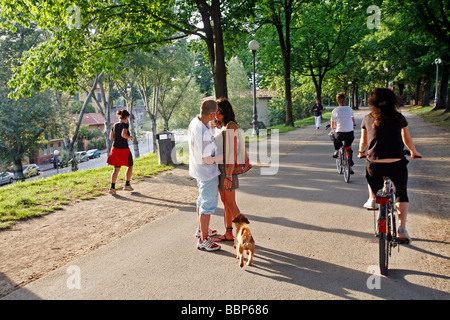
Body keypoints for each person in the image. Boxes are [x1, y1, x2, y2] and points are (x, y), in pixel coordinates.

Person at [358, 88, 422, 243]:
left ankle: (373, 197)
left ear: (372, 102)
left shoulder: (367, 118)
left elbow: (364, 141)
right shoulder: (399, 117)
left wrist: (361, 152)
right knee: (401, 192)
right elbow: (407, 139)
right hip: (396, 164)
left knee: (370, 170)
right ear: (394, 100)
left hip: (375, 165)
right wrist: (414, 152)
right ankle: (402, 228)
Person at [188, 99, 221, 251]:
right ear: (212, 113)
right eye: (216, 113)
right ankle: (203, 240)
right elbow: (208, 160)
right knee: (207, 205)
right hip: (207, 173)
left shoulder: (196, 122)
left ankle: (202, 230)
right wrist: (226, 156)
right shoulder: (203, 134)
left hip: (198, 170)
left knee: (201, 201)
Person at [213, 98, 243, 242]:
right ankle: (229, 232)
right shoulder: (223, 127)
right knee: (225, 202)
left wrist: (229, 175)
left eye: (217, 110)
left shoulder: (231, 126)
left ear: (225, 111)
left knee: (231, 204)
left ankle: (244, 236)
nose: (215, 113)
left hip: (227, 169)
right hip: (219, 168)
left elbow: (232, 153)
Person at [107, 109, 134, 195]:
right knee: (130, 165)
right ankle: (127, 184)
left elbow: (111, 138)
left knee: (116, 169)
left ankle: (112, 188)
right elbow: (123, 134)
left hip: (115, 149)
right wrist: (129, 137)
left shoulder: (114, 125)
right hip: (124, 149)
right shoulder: (125, 124)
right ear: (126, 117)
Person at [331, 93, 356, 173]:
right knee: (348, 147)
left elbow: (332, 126)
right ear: (345, 100)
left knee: (333, 134)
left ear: (337, 101)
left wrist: (336, 127)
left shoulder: (335, 110)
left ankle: (337, 150)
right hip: (350, 134)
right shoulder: (350, 109)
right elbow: (353, 121)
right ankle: (350, 166)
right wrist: (352, 124)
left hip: (340, 134)